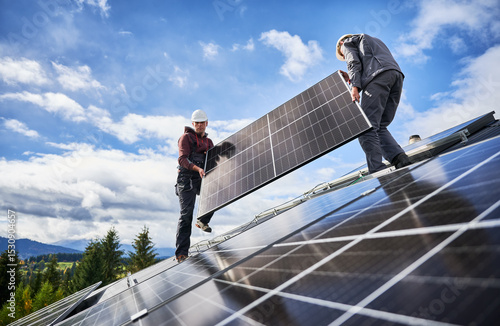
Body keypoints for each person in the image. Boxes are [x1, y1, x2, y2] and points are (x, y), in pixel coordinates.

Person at [335, 33, 411, 173]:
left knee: (366, 126)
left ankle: (377, 170)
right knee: (379, 126)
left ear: (341, 45)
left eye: (343, 55)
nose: (344, 56)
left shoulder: (346, 43)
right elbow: (371, 62)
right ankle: (399, 158)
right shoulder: (374, 40)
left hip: (378, 78)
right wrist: (351, 79)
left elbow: (353, 62)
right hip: (396, 76)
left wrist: (354, 87)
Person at [175, 109, 214, 263]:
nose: (199, 125)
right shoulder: (186, 138)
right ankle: (182, 254)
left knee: (219, 191)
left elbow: (213, 158)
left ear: (206, 123)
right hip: (186, 179)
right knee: (186, 214)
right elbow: (182, 159)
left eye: (202, 122)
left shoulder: (208, 142)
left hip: (200, 177)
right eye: (196, 123)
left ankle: (203, 220)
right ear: (193, 124)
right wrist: (197, 169)